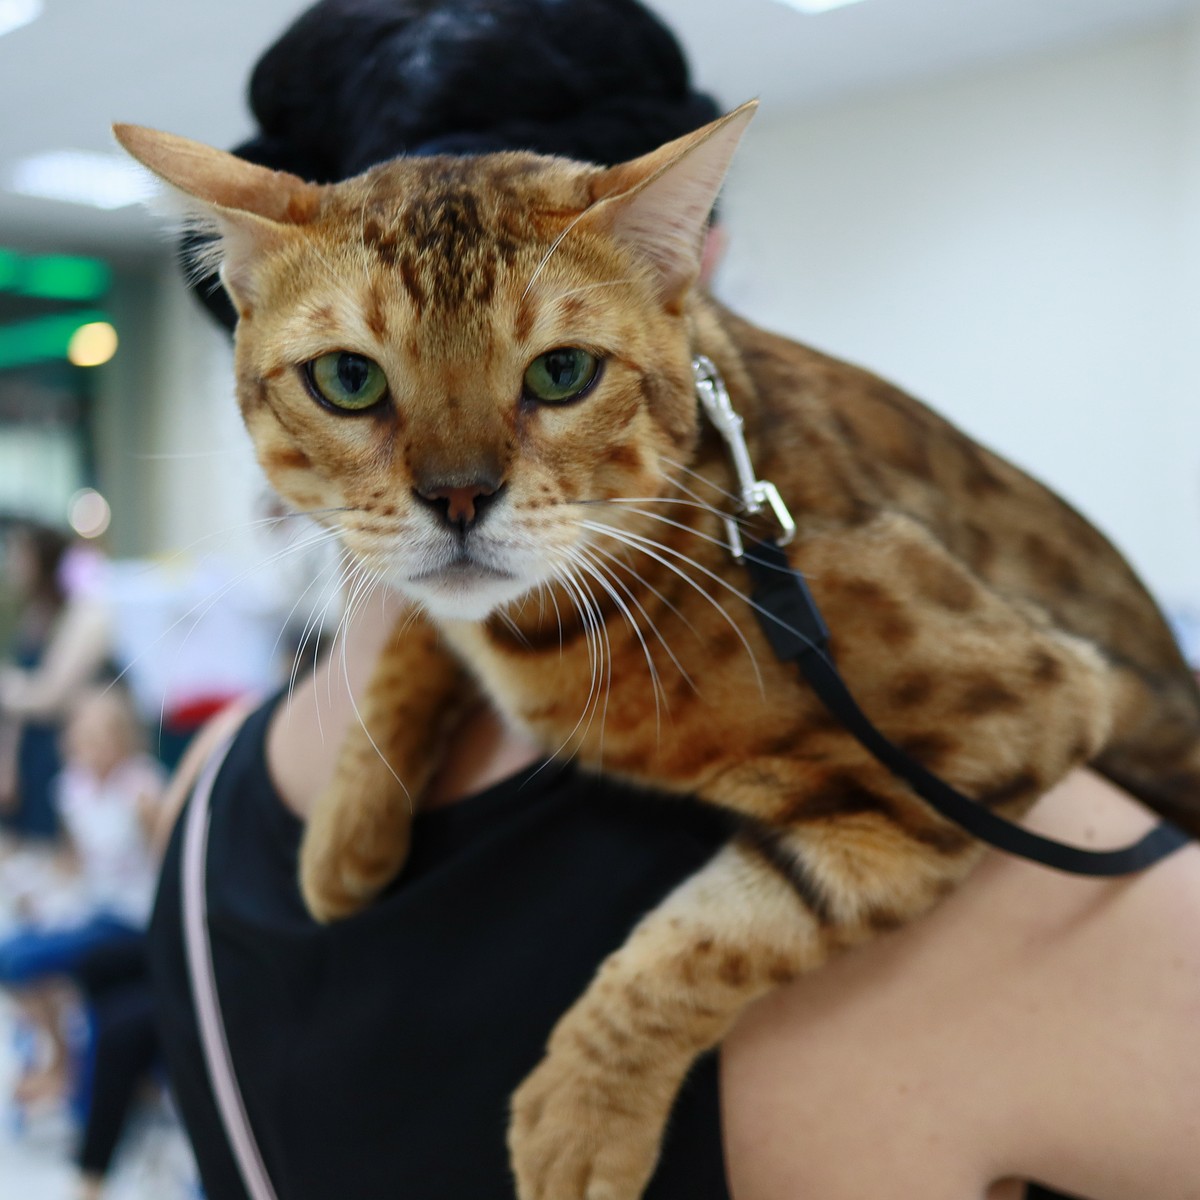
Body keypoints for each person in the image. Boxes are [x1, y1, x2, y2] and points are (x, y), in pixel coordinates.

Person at [147, 3, 1200, 1199]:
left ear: (672, 279)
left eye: (556, 372)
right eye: (355, 380)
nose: (456, 489)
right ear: (708, 268)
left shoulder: (198, 801)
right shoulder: (1001, 890)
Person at [0, 684, 166, 1117]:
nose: (89, 745)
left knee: (18, 959)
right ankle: (60, 1056)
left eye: (100, 735)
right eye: (83, 734)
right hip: (94, 908)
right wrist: (29, 881)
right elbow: (76, 863)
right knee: (17, 948)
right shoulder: (70, 788)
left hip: (134, 918)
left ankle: (62, 1066)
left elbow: (166, 865)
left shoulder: (142, 790)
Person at [0, 522, 114, 841]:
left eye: (19, 556)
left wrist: (10, 686)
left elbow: (51, 696)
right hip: (29, 745)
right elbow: (18, 709)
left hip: (65, 745)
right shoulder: (32, 617)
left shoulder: (84, 614)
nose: (12, 565)